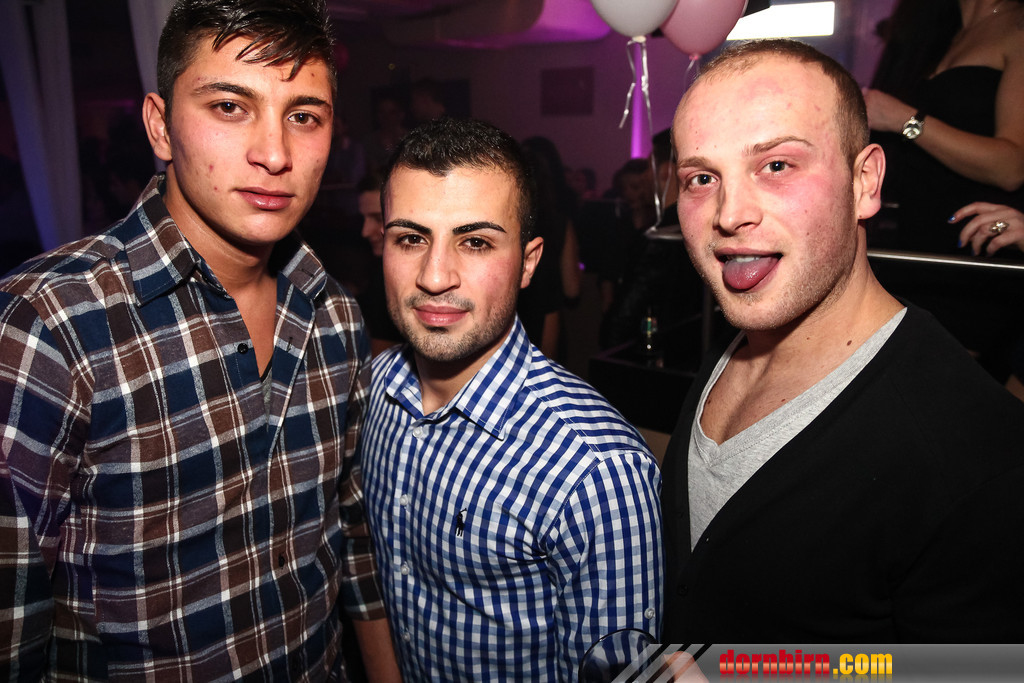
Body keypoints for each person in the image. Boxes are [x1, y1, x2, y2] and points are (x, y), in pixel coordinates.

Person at [0, 1, 400, 679]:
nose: (274, 153)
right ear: (160, 126)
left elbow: (351, 537)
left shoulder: (334, 314)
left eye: (303, 116)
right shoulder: (49, 325)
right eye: (229, 106)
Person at [662, 39, 1024, 642]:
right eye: (701, 178)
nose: (728, 213)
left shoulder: (974, 454)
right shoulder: (733, 350)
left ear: (865, 182)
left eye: (776, 166)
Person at [359, 117, 663, 680]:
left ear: (528, 262)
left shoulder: (596, 471)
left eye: (475, 242)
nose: (435, 276)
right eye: (411, 238)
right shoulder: (373, 390)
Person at [863, 0, 1024, 254]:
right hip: (913, 241)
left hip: (981, 247)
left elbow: (1012, 168)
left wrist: (905, 120)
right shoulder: (937, 31)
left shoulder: (1017, 26)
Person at [355, 168, 403, 355]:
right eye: (363, 218)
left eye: (377, 218)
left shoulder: (391, 280)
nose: (365, 231)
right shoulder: (379, 273)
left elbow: (379, 361)